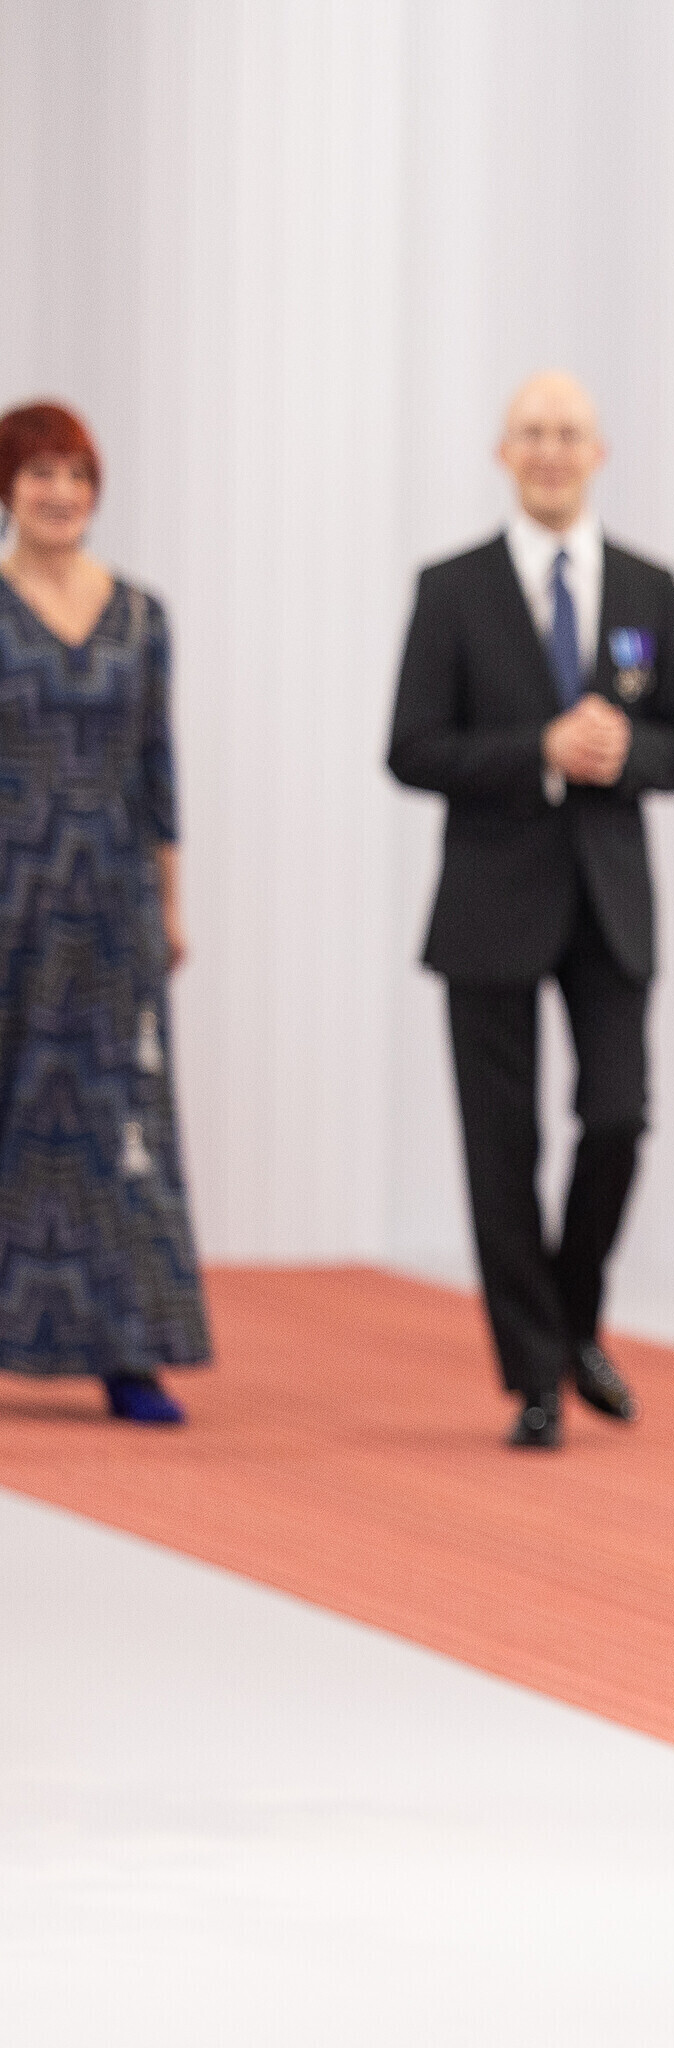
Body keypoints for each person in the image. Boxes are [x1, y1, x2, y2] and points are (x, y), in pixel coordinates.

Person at [386, 373, 674, 1450]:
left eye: (569, 433)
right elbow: (411, 747)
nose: (551, 450)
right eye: (532, 432)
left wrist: (627, 752)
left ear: (598, 451)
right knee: (501, 1147)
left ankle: (571, 1322)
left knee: (619, 1116)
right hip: (488, 903)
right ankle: (533, 1373)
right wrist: (538, 749)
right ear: (503, 451)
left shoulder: (650, 587)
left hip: (610, 903)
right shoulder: (452, 587)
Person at [0, 401, 209, 1422]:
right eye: (41, 473)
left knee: (119, 1120)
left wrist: (170, 904)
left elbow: (158, 770)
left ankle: (130, 1349)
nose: (61, 493)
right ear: (8, 489)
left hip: (115, 906)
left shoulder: (140, 614)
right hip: (9, 899)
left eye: (77, 475)